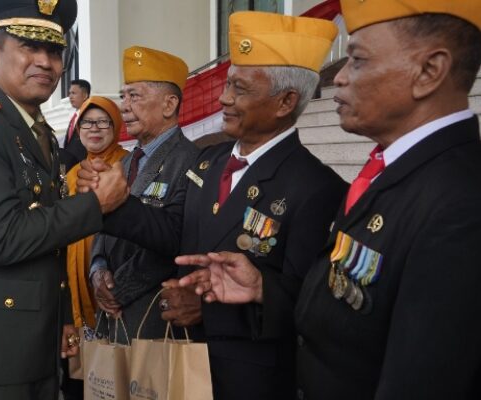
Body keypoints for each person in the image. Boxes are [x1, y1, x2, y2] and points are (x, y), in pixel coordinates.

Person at [179, 3, 481, 399]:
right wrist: (264, 289)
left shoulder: (459, 203)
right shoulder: (395, 174)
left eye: (358, 60)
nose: (338, 77)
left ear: (429, 71)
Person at [79, 12, 345, 399]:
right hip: (180, 364)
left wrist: (210, 310)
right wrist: (114, 203)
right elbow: (173, 234)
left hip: (247, 380)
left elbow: (311, 304)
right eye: (227, 84)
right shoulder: (209, 161)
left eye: (239, 88)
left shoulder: (317, 187)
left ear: (285, 101)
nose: (223, 98)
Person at [0, 0, 123, 398]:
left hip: (36, 335)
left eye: (54, 50)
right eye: (29, 46)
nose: (45, 62)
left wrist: (61, 317)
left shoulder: (40, 132)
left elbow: (48, 240)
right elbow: (2, 237)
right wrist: (94, 204)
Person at [88, 46, 199, 343]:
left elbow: (176, 241)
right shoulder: (124, 162)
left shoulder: (190, 161)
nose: (124, 106)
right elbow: (103, 225)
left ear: (169, 104)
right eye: (123, 96)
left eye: (134, 96)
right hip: (111, 317)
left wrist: (117, 290)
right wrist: (97, 269)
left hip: (150, 321)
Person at [62, 96, 128, 399]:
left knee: (116, 374)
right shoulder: (72, 174)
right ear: (78, 130)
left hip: (110, 276)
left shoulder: (127, 165)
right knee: (80, 377)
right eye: (88, 123)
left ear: (116, 127)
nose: (95, 129)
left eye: (104, 122)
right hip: (73, 279)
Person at [61, 79, 90, 169]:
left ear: (85, 95)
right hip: (71, 168)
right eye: (69, 93)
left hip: (83, 167)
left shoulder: (91, 116)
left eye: (73, 93)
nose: (70, 97)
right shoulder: (75, 116)